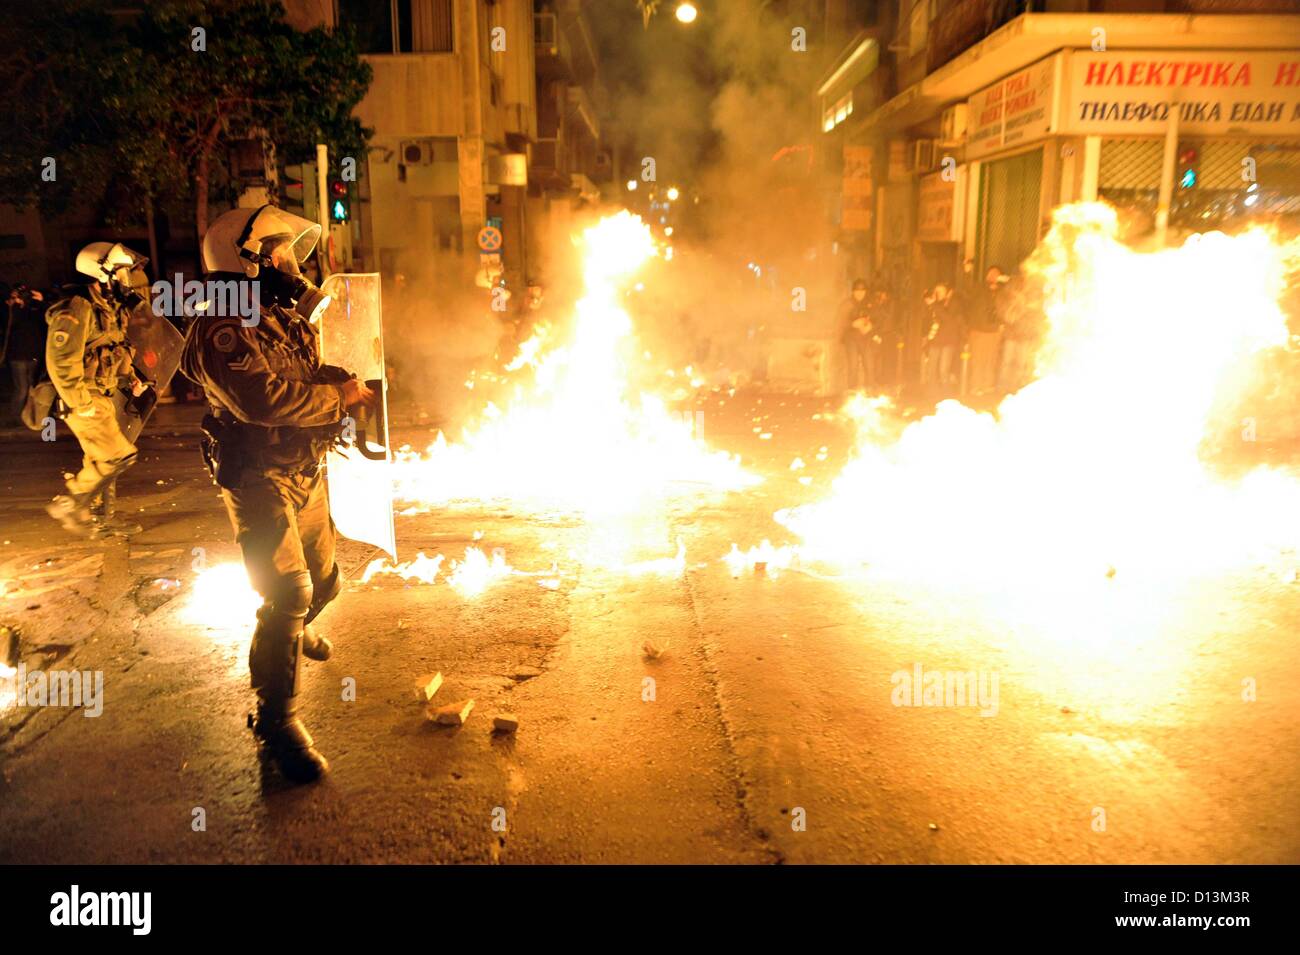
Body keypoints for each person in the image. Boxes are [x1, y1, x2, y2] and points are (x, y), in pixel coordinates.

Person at [181, 204, 374, 784]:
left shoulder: (278, 317)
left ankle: (287, 631)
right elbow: (261, 399)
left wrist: (345, 381)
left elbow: (302, 375)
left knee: (326, 582)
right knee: (290, 590)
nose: (293, 260)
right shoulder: (222, 324)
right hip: (256, 475)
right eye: (282, 249)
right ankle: (276, 723)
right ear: (248, 259)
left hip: (302, 466)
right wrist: (336, 399)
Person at [44, 244, 152, 537]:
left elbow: (115, 350)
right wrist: (81, 403)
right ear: (101, 272)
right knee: (118, 455)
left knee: (101, 461)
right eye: (120, 272)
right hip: (85, 397)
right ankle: (70, 503)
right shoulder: (76, 308)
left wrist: (131, 379)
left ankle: (98, 517)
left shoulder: (110, 306)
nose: (125, 278)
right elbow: (60, 360)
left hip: (104, 392)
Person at [5, 285, 46, 424]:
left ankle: (28, 416)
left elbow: (44, 319)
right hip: (17, 357)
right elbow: (11, 324)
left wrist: (40, 301)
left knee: (31, 388)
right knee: (22, 389)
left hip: (33, 355)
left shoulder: (33, 310)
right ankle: (15, 418)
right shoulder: (11, 311)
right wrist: (13, 304)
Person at [922, 283, 966, 391]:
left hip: (948, 341)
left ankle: (946, 395)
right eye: (936, 291)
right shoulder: (934, 305)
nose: (938, 293)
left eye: (941, 291)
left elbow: (948, 319)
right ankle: (932, 394)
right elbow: (927, 321)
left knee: (943, 370)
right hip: (935, 341)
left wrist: (933, 305)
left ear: (948, 293)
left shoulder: (953, 304)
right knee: (931, 369)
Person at [840, 278, 875, 391]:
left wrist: (871, 326)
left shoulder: (869, 304)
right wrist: (852, 324)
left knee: (869, 366)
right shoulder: (847, 304)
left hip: (865, 338)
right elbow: (840, 322)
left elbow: (877, 319)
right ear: (853, 292)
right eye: (857, 291)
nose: (860, 293)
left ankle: (869, 392)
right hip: (851, 339)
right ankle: (852, 393)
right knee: (853, 366)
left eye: (862, 291)